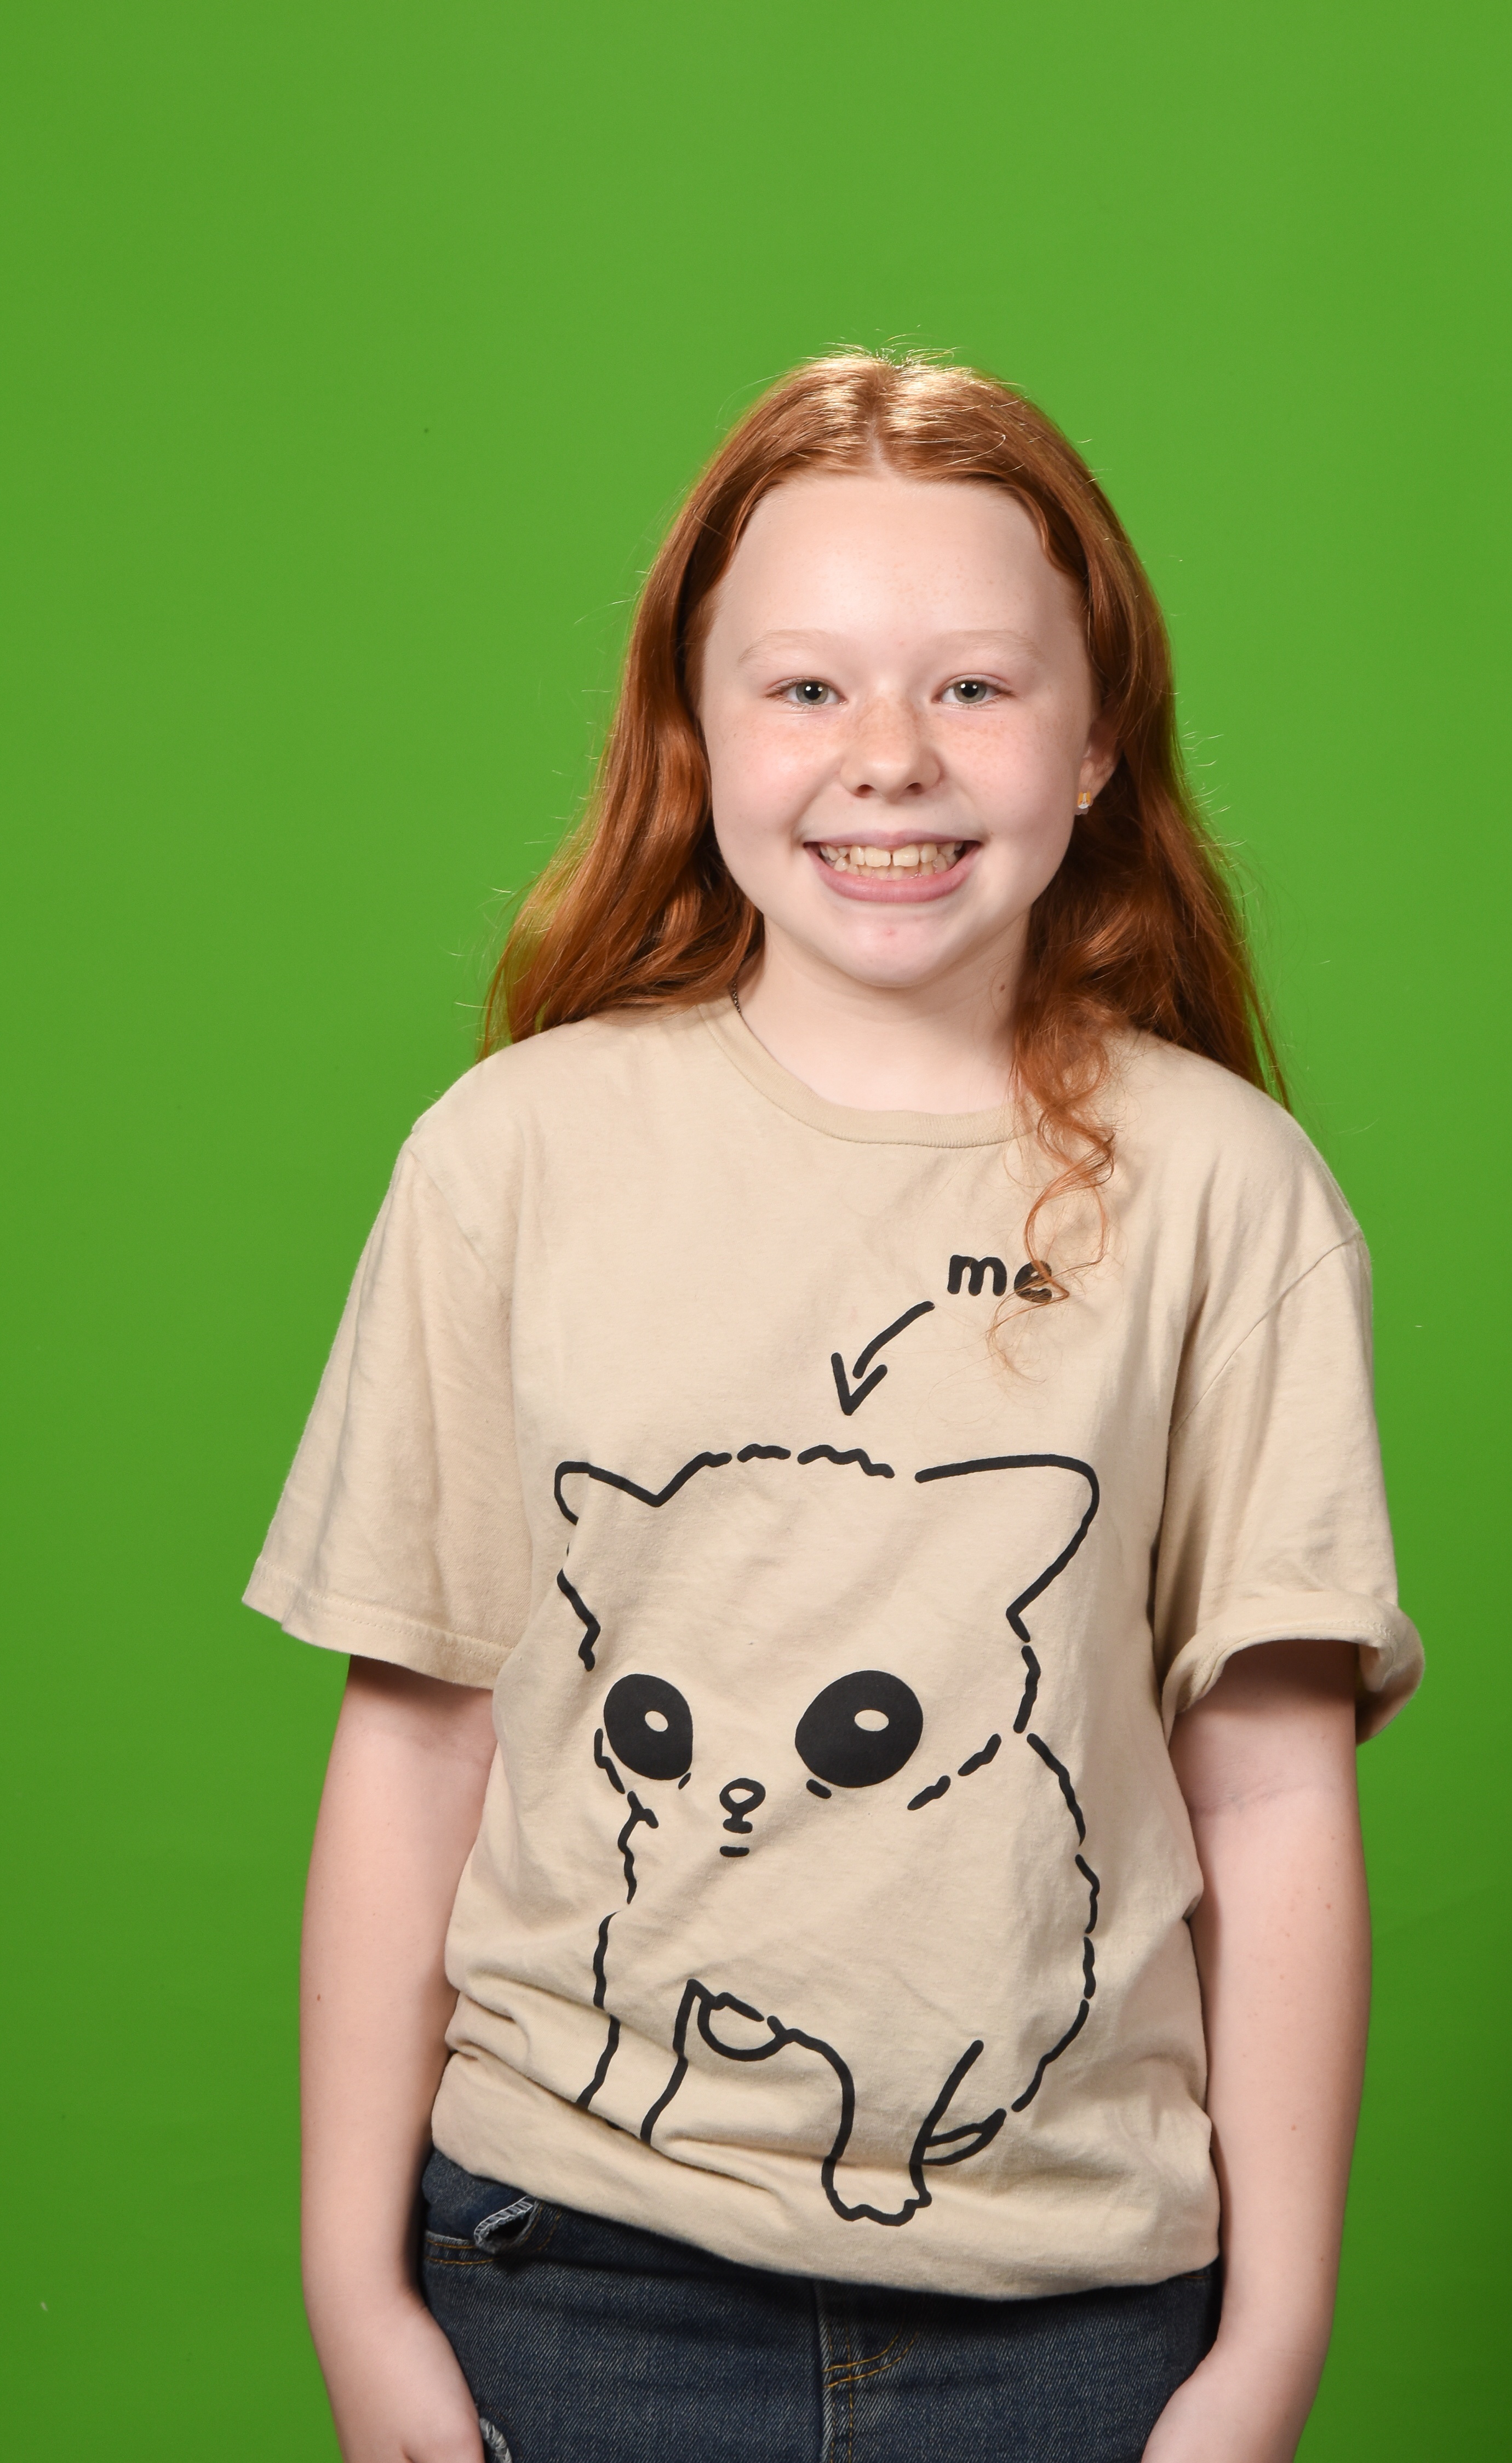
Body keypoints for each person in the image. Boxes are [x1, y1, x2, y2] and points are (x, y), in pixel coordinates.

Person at [247, 351, 1422, 2463]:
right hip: (570, 2269)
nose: (891, 756)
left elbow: (1270, 1788)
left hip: (1074, 2311)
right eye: (805, 689)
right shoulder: (511, 1159)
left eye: (975, 686)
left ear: (1098, 742)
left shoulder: (1226, 1193)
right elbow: (417, 1737)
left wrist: (1270, 2348)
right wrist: (354, 2288)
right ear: (692, 734)